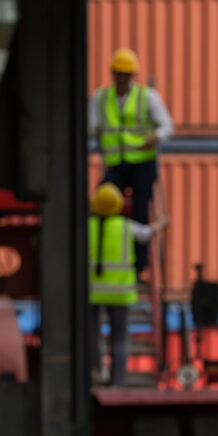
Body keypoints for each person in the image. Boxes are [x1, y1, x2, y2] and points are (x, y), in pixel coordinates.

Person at [89, 47, 174, 276]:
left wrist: (154, 137)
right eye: (118, 73)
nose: (122, 79)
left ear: (133, 76)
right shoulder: (101, 98)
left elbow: (167, 126)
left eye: (126, 75)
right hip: (115, 164)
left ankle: (138, 266)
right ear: (112, 73)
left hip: (142, 164)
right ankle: (102, 257)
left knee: (139, 211)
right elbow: (90, 127)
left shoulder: (147, 97)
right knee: (102, 204)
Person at [88, 183, 167, 386]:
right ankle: (117, 381)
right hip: (120, 293)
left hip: (92, 293)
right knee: (119, 338)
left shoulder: (86, 226)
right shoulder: (124, 225)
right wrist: (160, 224)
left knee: (92, 335)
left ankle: (96, 371)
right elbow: (146, 233)